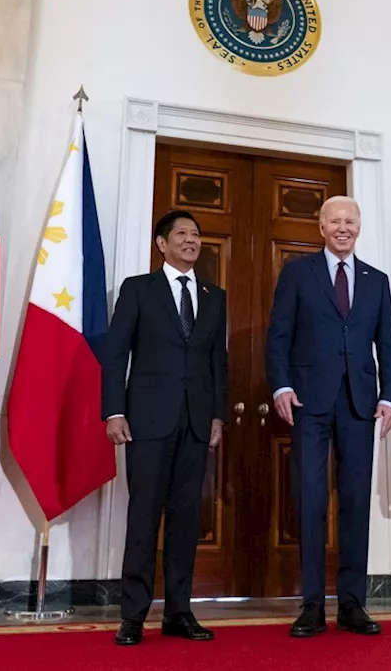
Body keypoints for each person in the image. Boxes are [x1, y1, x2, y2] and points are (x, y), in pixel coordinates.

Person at [265, 196, 391, 638]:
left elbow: (387, 343)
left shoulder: (376, 280)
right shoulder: (297, 273)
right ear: (320, 226)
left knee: (356, 502)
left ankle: (352, 604)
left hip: (361, 405)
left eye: (350, 221)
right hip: (309, 401)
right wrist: (282, 385)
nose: (343, 227)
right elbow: (279, 334)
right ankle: (310, 606)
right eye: (335, 221)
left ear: (359, 227)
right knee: (310, 500)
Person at [102, 210, 228, 646]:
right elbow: (116, 354)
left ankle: (179, 612)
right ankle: (133, 616)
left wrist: (216, 415)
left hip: (195, 422)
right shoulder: (138, 289)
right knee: (143, 517)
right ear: (162, 243)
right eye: (182, 234)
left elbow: (217, 362)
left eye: (196, 235)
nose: (191, 241)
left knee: (185, 520)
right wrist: (114, 411)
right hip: (147, 421)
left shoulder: (215, 296)